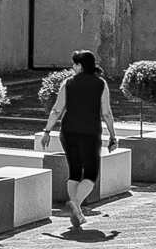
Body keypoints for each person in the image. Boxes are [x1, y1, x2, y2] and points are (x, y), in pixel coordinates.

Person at [41, 50, 118, 229]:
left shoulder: (68, 83)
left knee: (75, 171)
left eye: (73, 64)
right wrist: (113, 135)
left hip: (68, 132)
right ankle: (76, 204)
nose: (71, 67)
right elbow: (106, 112)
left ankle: (79, 214)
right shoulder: (101, 84)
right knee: (90, 174)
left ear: (79, 66)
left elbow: (57, 110)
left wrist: (47, 131)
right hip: (90, 133)